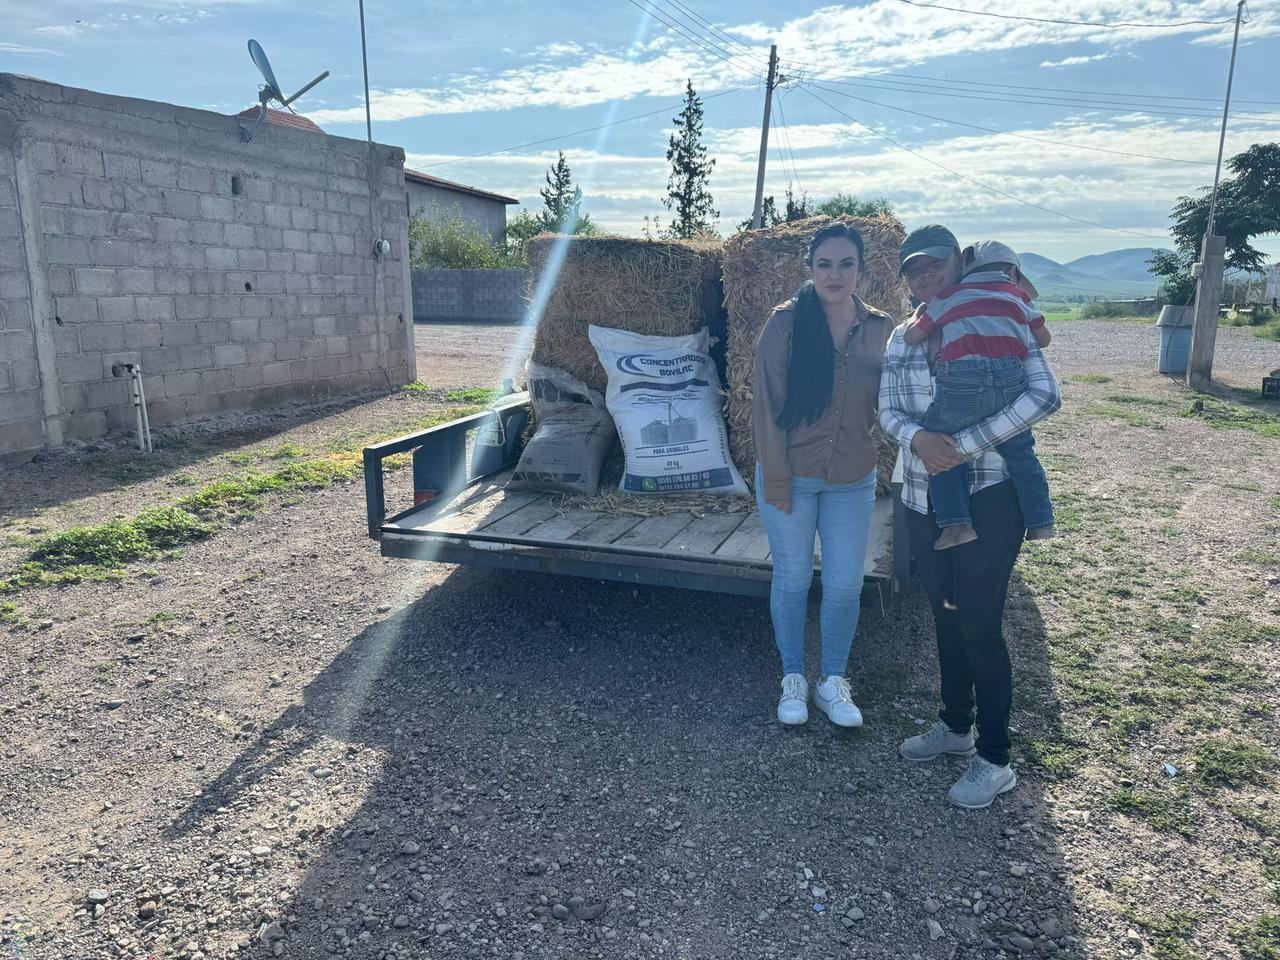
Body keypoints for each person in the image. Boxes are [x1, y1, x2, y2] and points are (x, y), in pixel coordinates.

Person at [879, 224, 1061, 809]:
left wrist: (963, 443)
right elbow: (885, 410)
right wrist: (920, 440)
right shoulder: (902, 338)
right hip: (920, 495)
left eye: (934, 265)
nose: (923, 277)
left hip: (990, 496)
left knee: (979, 624)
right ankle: (955, 727)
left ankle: (995, 757)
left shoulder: (1002, 315)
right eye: (912, 270)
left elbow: (1043, 395)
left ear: (959, 262)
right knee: (944, 612)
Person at [752, 222, 894, 728]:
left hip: (851, 476)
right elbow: (765, 407)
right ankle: (793, 676)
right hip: (790, 471)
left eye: (846, 264)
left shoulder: (882, 329)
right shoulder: (785, 324)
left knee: (844, 583)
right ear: (809, 268)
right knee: (792, 578)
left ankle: (832, 681)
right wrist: (777, 478)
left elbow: (896, 397)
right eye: (824, 264)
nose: (835, 274)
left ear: (861, 268)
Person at [902, 240, 1056, 550]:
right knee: (1022, 452)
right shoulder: (1019, 295)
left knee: (938, 441)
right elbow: (1044, 339)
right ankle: (1041, 522)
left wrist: (921, 318)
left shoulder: (949, 296)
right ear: (1012, 271)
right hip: (1010, 381)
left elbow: (912, 336)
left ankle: (956, 525)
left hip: (962, 381)